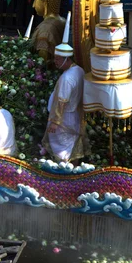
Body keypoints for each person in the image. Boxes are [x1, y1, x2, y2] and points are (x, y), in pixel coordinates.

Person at [42, 21, 88, 162]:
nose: (55, 61)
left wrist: (55, 121)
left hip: (64, 117)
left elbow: (62, 101)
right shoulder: (78, 70)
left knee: (62, 149)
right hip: (74, 115)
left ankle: (63, 170)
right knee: (71, 143)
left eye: (58, 59)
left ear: (67, 59)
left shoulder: (67, 78)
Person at [31, 0, 65, 67]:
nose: (33, 5)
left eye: (36, 0)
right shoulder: (63, 21)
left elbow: (41, 62)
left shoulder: (46, 30)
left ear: (45, 3)